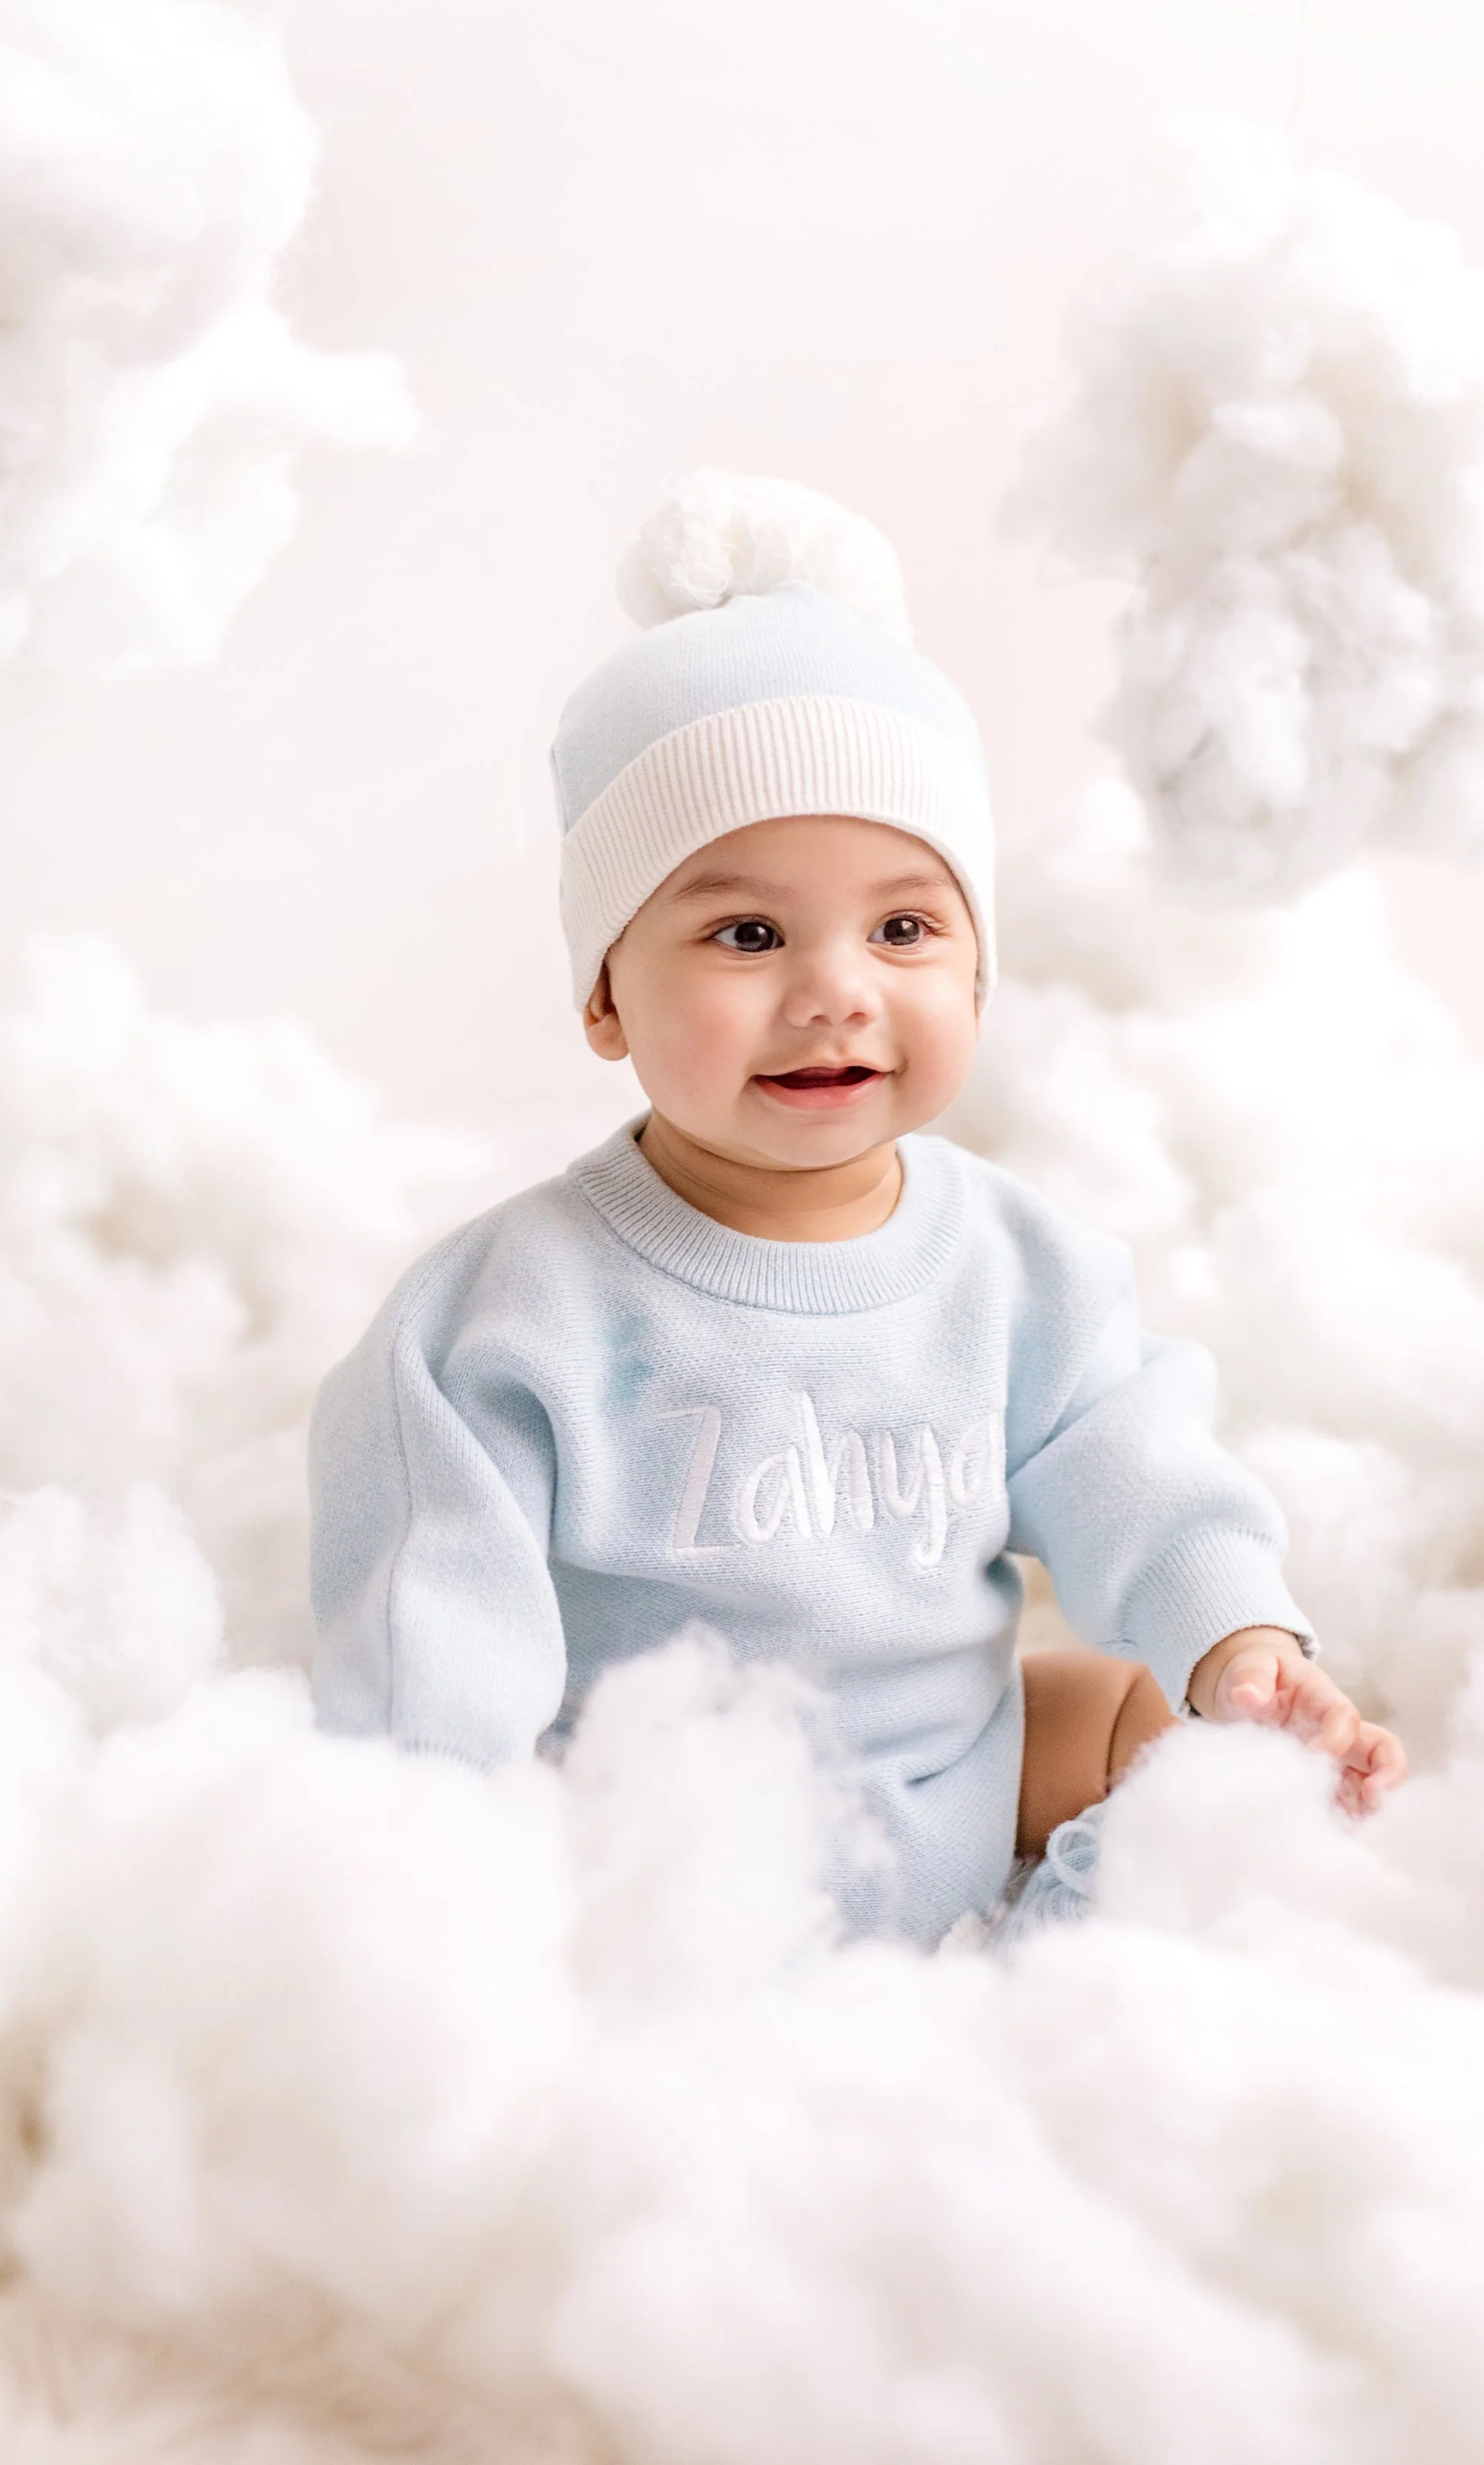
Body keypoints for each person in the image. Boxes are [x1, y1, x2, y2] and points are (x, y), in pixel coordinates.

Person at [308, 477, 1405, 1942]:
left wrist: (1239, 1641)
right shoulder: (503, 1322)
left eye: (903, 927)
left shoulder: (1021, 1271)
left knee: (1166, 1724)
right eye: (747, 932)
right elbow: (430, 1640)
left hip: (961, 1772)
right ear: (603, 995)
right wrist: (434, 1853)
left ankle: (1059, 1941)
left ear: (975, 972)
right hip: (662, 1842)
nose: (838, 990)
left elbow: (1138, 1471)